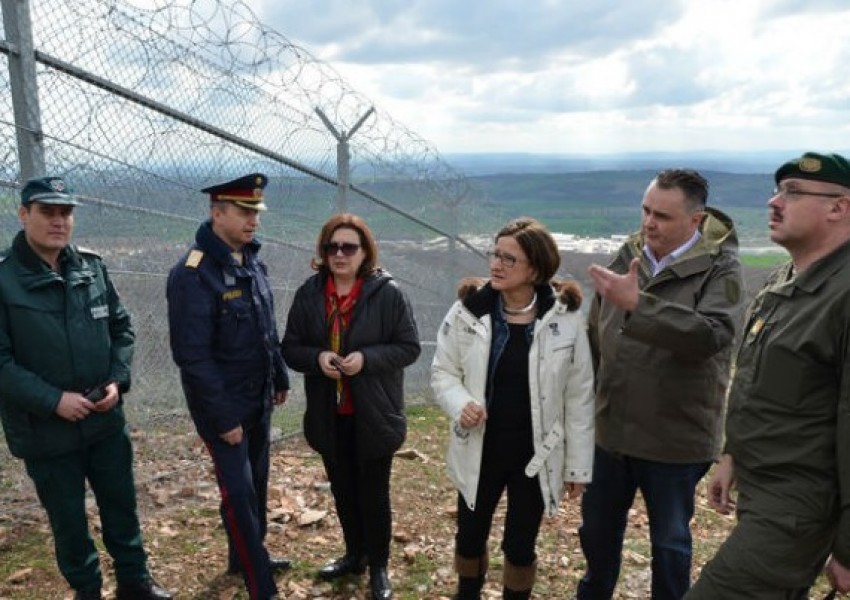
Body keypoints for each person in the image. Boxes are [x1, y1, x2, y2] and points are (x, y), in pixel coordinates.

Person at [685, 152, 850, 599]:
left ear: (840, 207)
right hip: (764, 491)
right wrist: (733, 454)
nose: (774, 202)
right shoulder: (784, 283)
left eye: (793, 192)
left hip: (797, 504)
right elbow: (760, 385)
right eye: (778, 190)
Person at [0, 176, 172, 600]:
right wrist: (53, 400)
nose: (59, 221)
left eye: (66, 212)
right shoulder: (4, 280)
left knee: (121, 507)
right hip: (45, 430)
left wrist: (117, 379)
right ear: (24, 215)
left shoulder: (91, 268)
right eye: (47, 212)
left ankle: (135, 583)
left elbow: (122, 328)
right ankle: (87, 589)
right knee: (68, 521)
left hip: (104, 421)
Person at [577, 169, 744, 600]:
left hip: (675, 438)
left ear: (696, 220)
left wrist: (640, 306)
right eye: (646, 211)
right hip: (612, 432)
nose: (650, 223)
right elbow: (598, 332)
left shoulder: (720, 269)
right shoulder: (629, 253)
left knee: (669, 546)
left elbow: (710, 335)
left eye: (663, 216)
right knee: (596, 536)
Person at [431, 217, 596, 600]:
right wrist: (461, 404)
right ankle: (467, 592)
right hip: (480, 446)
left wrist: (578, 467)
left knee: (520, 543)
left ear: (535, 269)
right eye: (495, 254)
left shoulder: (566, 321)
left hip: (535, 454)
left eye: (510, 259)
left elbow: (579, 395)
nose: (496, 265)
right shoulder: (468, 312)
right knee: (470, 535)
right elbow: (443, 372)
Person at [281, 213, 420, 600]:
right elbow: (290, 348)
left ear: (364, 252)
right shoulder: (310, 294)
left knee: (374, 493)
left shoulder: (387, 293)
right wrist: (318, 358)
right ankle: (353, 555)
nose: (339, 254)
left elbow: (408, 347)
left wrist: (367, 359)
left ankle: (379, 566)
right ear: (323, 252)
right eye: (332, 247)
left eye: (348, 247)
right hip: (329, 413)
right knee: (343, 490)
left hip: (373, 413)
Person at [166, 173, 291, 600]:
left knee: (255, 485)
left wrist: (278, 375)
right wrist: (223, 419)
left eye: (256, 211)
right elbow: (193, 357)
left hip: (258, 398)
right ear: (216, 213)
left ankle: (244, 559)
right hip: (225, 410)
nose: (253, 220)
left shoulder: (251, 261)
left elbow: (264, 326)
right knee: (238, 496)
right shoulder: (193, 274)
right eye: (243, 211)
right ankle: (261, 585)